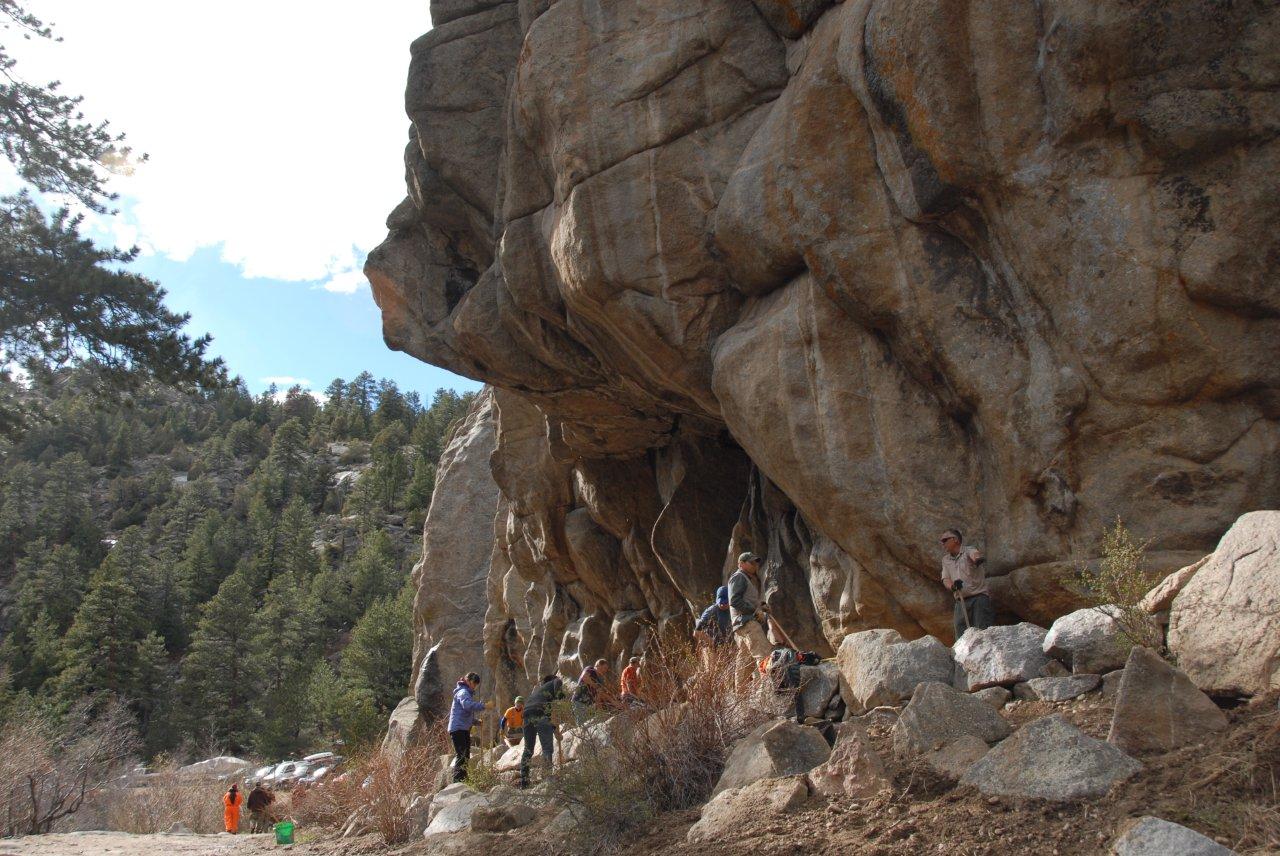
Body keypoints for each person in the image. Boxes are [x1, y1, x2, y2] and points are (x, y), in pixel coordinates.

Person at [940, 528, 993, 639]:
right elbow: (945, 579)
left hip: (978, 598)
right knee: (961, 635)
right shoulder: (946, 560)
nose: (942, 543)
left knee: (982, 632)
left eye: (945, 540)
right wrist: (953, 587)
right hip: (961, 601)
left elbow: (975, 555)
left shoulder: (969, 550)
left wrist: (977, 559)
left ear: (955, 539)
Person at [728, 552, 773, 668]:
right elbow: (735, 601)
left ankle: (741, 687)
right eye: (751, 562)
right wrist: (755, 610)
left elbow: (745, 600)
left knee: (746, 665)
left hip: (742, 624)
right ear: (741, 564)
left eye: (756, 563)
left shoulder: (745, 578)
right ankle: (769, 684)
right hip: (747, 622)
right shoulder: (739, 577)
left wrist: (760, 605)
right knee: (765, 655)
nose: (755, 565)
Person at [519, 674, 564, 788]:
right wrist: (560, 696)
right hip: (539, 714)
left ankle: (524, 782)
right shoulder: (554, 682)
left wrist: (554, 731)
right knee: (547, 748)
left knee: (528, 749)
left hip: (527, 715)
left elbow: (547, 718)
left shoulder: (537, 693)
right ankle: (547, 778)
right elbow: (558, 682)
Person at [447, 671, 489, 783]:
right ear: (469, 681)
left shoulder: (466, 692)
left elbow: (464, 713)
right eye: (474, 684)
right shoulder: (463, 692)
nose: (475, 686)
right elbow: (467, 705)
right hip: (458, 728)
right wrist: (483, 706)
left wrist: (475, 722)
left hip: (462, 728)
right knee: (462, 754)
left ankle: (463, 779)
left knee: (465, 754)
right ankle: (457, 781)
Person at [571, 658, 611, 723]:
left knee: (589, 726)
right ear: (598, 665)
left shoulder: (599, 681)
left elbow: (598, 698)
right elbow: (584, 677)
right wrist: (596, 686)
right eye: (605, 668)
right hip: (579, 701)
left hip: (589, 706)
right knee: (582, 725)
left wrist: (601, 713)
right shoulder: (590, 669)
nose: (605, 671)